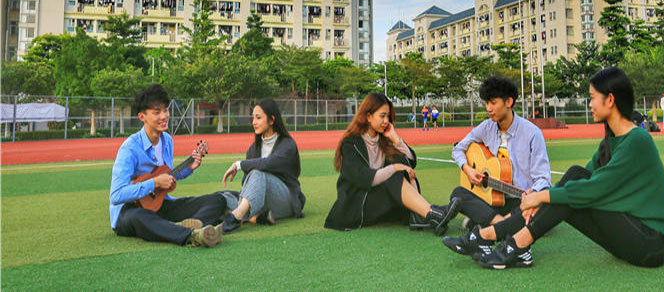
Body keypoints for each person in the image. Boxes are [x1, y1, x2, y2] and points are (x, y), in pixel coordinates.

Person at [443, 67, 664, 270]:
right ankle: (502, 240)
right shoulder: (612, 140)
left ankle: (504, 240)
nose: (590, 104)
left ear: (610, 100)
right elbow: (581, 182)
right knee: (573, 177)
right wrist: (542, 199)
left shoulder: (637, 140)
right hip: (628, 232)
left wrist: (541, 196)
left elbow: (595, 190)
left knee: (570, 188)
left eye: (592, 98)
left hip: (650, 243)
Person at [324, 93, 461, 234]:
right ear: (368, 116)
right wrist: (394, 168)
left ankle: (425, 216)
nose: (386, 121)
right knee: (393, 173)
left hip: (381, 201)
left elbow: (411, 162)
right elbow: (363, 178)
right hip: (359, 204)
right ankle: (431, 214)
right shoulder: (351, 143)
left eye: (388, 116)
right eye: (382, 116)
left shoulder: (384, 139)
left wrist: (395, 139)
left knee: (406, 172)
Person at [109, 84, 227, 247]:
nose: (164, 116)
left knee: (217, 200)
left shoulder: (167, 141)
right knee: (141, 218)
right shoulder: (129, 148)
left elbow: (167, 176)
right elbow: (116, 195)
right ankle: (192, 236)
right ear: (142, 116)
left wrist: (188, 169)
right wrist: (154, 183)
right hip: (130, 211)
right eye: (157, 112)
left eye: (166, 110)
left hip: (160, 204)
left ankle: (194, 225)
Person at [450, 76, 551, 231]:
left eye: (493, 103)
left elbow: (544, 178)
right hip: (493, 198)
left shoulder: (532, 133)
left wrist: (534, 194)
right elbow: (458, 149)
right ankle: (503, 224)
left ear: (508, 102)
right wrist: (467, 169)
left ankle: (489, 221)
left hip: (520, 199)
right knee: (458, 194)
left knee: (541, 207)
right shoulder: (486, 127)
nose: (488, 108)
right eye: (486, 103)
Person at [219, 98, 306, 233]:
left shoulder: (287, 145)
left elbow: (269, 163)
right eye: (253, 118)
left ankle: (235, 217)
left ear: (271, 120)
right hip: (264, 200)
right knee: (222, 197)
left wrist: (239, 164)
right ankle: (256, 217)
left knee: (258, 172)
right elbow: (247, 184)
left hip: (286, 199)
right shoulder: (253, 149)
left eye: (258, 118)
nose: (254, 122)